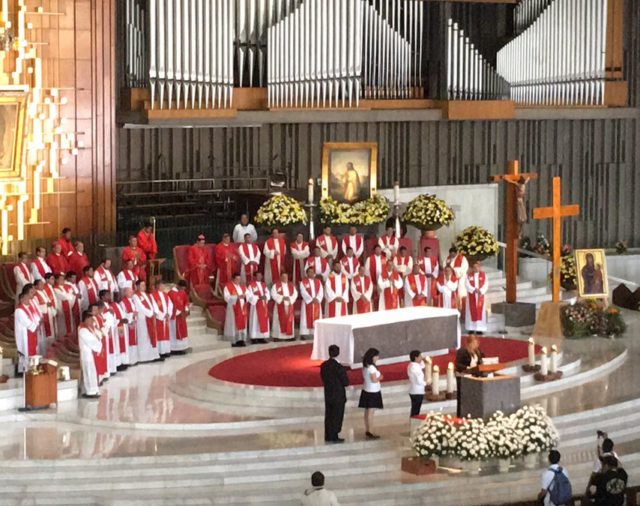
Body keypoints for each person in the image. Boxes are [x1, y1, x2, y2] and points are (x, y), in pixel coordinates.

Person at [320, 345, 349, 445]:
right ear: (338, 353)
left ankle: (328, 435)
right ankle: (334, 435)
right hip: (338, 394)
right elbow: (345, 382)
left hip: (328, 393)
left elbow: (323, 378)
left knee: (329, 415)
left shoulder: (324, 365)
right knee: (337, 415)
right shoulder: (339, 367)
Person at [454, 335, 484, 417]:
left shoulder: (477, 352)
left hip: (474, 376)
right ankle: (460, 414)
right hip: (464, 377)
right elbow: (458, 364)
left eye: (477, 342)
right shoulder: (462, 351)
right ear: (469, 343)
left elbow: (480, 363)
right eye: (474, 342)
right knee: (463, 397)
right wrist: (468, 368)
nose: (476, 344)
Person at [358, 347, 383, 440]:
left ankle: (368, 429)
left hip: (366, 389)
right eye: (376, 356)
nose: (378, 358)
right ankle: (371, 431)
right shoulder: (372, 367)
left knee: (367, 411)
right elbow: (374, 379)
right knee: (371, 412)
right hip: (373, 391)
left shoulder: (365, 365)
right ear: (372, 357)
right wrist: (380, 377)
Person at [14, 289, 41, 373]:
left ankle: (32, 369)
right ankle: (25, 371)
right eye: (26, 298)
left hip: (31, 335)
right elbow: (29, 324)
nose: (28, 300)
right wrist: (36, 324)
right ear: (21, 299)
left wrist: (37, 323)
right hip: (25, 336)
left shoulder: (29, 308)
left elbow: (37, 317)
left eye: (29, 299)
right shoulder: (19, 310)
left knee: (32, 353)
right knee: (26, 353)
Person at [132, 279, 159, 363]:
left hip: (150, 318)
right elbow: (140, 307)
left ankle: (152, 355)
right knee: (143, 338)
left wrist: (155, 312)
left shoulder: (148, 295)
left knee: (150, 337)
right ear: (137, 286)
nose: (144, 286)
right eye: (142, 285)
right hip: (142, 319)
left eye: (144, 285)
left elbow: (153, 304)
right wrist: (150, 313)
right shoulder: (136, 296)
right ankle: (144, 357)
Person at [78, 311, 102, 398]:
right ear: (86, 319)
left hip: (91, 354)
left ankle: (94, 389)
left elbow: (99, 335)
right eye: (91, 319)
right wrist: (99, 345)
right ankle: (90, 391)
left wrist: (98, 341)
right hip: (87, 355)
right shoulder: (82, 329)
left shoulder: (89, 328)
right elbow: (91, 341)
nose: (93, 321)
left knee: (92, 372)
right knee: (88, 372)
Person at [223, 274, 249, 347]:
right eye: (237, 279)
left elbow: (248, 294)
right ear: (233, 279)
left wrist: (245, 296)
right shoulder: (228, 287)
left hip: (242, 308)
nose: (238, 281)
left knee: (242, 323)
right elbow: (226, 297)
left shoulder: (242, 287)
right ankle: (233, 341)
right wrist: (237, 297)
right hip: (233, 308)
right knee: (233, 324)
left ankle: (241, 340)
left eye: (239, 279)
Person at [271, 272, 297, 340]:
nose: (285, 278)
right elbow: (273, 294)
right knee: (278, 320)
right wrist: (282, 298)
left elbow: (295, 294)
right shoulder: (276, 285)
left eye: (286, 277)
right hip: (280, 305)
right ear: (280, 277)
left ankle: (289, 336)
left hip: (289, 305)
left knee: (289, 320)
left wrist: (290, 299)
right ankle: (277, 336)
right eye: (283, 277)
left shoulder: (291, 286)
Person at [299, 267, 323, 339]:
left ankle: (315, 333)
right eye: (309, 272)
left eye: (312, 272)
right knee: (305, 318)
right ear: (307, 273)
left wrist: (318, 298)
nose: (311, 273)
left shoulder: (318, 282)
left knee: (317, 317)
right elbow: (303, 291)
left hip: (316, 303)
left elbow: (321, 291)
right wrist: (310, 299)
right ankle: (304, 334)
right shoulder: (303, 282)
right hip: (307, 303)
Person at [465, 262, 489, 335]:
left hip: (480, 296)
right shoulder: (469, 275)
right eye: (474, 267)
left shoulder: (484, 275)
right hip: (471, 296)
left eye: (477, 267)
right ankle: (471, 328)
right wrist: (473, 289)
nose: (476, 269)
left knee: (480, 312)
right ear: (472, 268)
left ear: (479, 267)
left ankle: (480, 328)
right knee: (470, 312)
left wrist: (481, 290)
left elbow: (486, 284)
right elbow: (466, 284)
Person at [246, 272, 270, 343]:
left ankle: (261, 337)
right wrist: (258, 297)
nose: (259, 277)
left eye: (260, 275)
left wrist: (266, 296)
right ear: (255, 277)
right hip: (255, 305)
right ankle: (253, 338)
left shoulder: (263, 285)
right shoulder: (251, 285)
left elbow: (267, 293)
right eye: (258, 276)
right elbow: (249, 295)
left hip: (263, 305)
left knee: (263, 321)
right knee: (255, 321)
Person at [150, 280, 172, 357]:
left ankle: (165, 350)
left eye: (164, 286)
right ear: (157, 286)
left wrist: (168, 314)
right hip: (158, 318)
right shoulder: (153, 295)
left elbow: (170, 305)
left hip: (165, 318)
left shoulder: (166, 295)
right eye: (162, 285)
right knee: (159, 335)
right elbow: (154, 307)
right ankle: (160, 351)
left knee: (165, 334)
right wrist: (161, 315)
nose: (163, 287)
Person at [168, 280, 190, 353]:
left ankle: (181, 347)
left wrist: (186, 309)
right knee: (174, 332)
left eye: (183, 289)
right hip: (175, 316)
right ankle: (174, 349)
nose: (182, 290)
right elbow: (170, 305)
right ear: (178, 286)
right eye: (181, 288)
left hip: (181, 316)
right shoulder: (171, 293)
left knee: (182, 331)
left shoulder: (183, 292)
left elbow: (186, 301)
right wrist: (178, 312)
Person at [119, 286, 138, 365]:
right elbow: (123, 315)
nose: (131, 293)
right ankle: (129, 360)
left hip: (133, 323)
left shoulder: (132, 301)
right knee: (129, 342)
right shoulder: (122, 302)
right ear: (125, 292)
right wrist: (131, 316)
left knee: (134, 341)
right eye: (129, 291)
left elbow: (135, 311)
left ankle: (134, 359)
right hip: (127, 325)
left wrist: (135, 317)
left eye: (132, 291)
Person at [53, 273, 76, 339]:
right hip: (62, 310)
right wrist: (69, 295)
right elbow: (64, 297)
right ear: (56, 280)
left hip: (69, 308)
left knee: (70, 325)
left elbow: (73, 294)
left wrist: (69, 295)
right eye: (61, 279)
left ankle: (70, 340)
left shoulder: (67, 286)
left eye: (63, 279)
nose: (63, 281)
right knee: (63, 327)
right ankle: (63, 341)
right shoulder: (55, 289)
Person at [364, 244, 387, 309]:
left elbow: (386, 270)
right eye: (377, 249)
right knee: (375, 298)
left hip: (382, 282)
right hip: (373, 281)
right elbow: (367, 271)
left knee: (382, 297)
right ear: (374, 250)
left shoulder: (384, 259)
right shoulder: (370, 259)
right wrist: (371, 282)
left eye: (379, 249)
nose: (378, 251)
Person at [407, 350, 426, 417]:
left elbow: (422, 365)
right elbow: (419, 381)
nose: (421, 357)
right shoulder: (414, 367)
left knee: (415, 409)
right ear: (415, 358)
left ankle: (413, 422)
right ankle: (413, 424)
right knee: (415, 410)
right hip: (417, 391)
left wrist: (422, 360)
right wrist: (426, 383)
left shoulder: (413, 364)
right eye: (420, 356)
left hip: (416, 391)